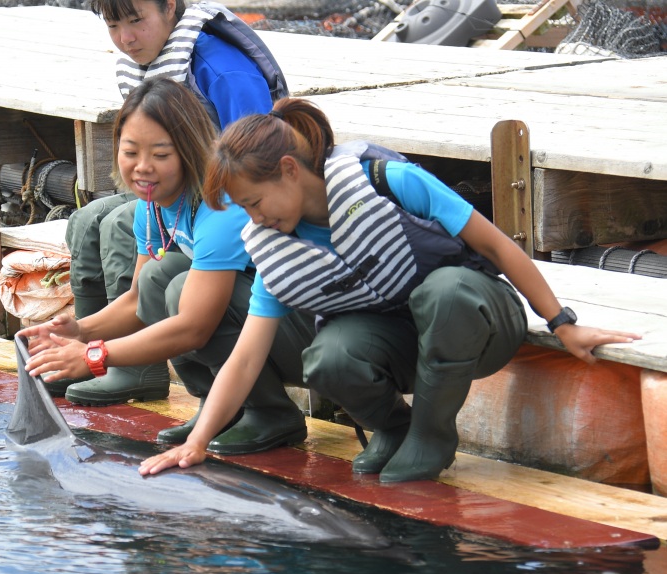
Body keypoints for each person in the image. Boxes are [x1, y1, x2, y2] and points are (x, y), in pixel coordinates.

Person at [138, 97, 642, 483]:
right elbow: (246, 357)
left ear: (290, 170)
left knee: (442, 292)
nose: (256, 219)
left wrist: (562, 322)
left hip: (478, 319)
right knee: (328, 355)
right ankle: (394, 428)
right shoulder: (276, 245)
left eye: (255, 201)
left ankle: (431, 433)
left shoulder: (384, 180)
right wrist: (200, 440)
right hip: (400, 342)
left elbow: (497, 247)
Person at [22, 78, 314, 454]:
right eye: (131, 152)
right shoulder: (153, 200)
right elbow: (138, 300)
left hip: (303, 333)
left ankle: (269, 411)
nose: (143, 168)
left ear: (189, 151)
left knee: (178, 289)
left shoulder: (220, 202)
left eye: (161, 155)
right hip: (261, 329)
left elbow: (194, 327)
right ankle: (220, 405)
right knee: (160, 279)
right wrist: (78, 331)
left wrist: (95, 355)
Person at [60, 0, 288, 405]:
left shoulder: (223, 72)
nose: (126, 38)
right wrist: (74, 333)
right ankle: (83, 360)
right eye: (113, 25)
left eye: (136, 21)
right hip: (183, 187)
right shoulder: (149, 57)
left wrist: (92, 349)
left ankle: (132, 366)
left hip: (228, 196)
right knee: (87, 219)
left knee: (118, 227)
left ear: (169, 8)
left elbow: (258, 163)